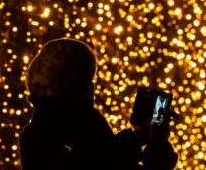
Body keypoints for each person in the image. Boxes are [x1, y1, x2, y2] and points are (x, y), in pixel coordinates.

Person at [19, 38, 178, 170]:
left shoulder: (48, 130)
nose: (92, 88)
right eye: (88, 81)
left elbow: (103, 155)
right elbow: (99, 162)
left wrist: (141, 137)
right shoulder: (77, 126)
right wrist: (155, 156)